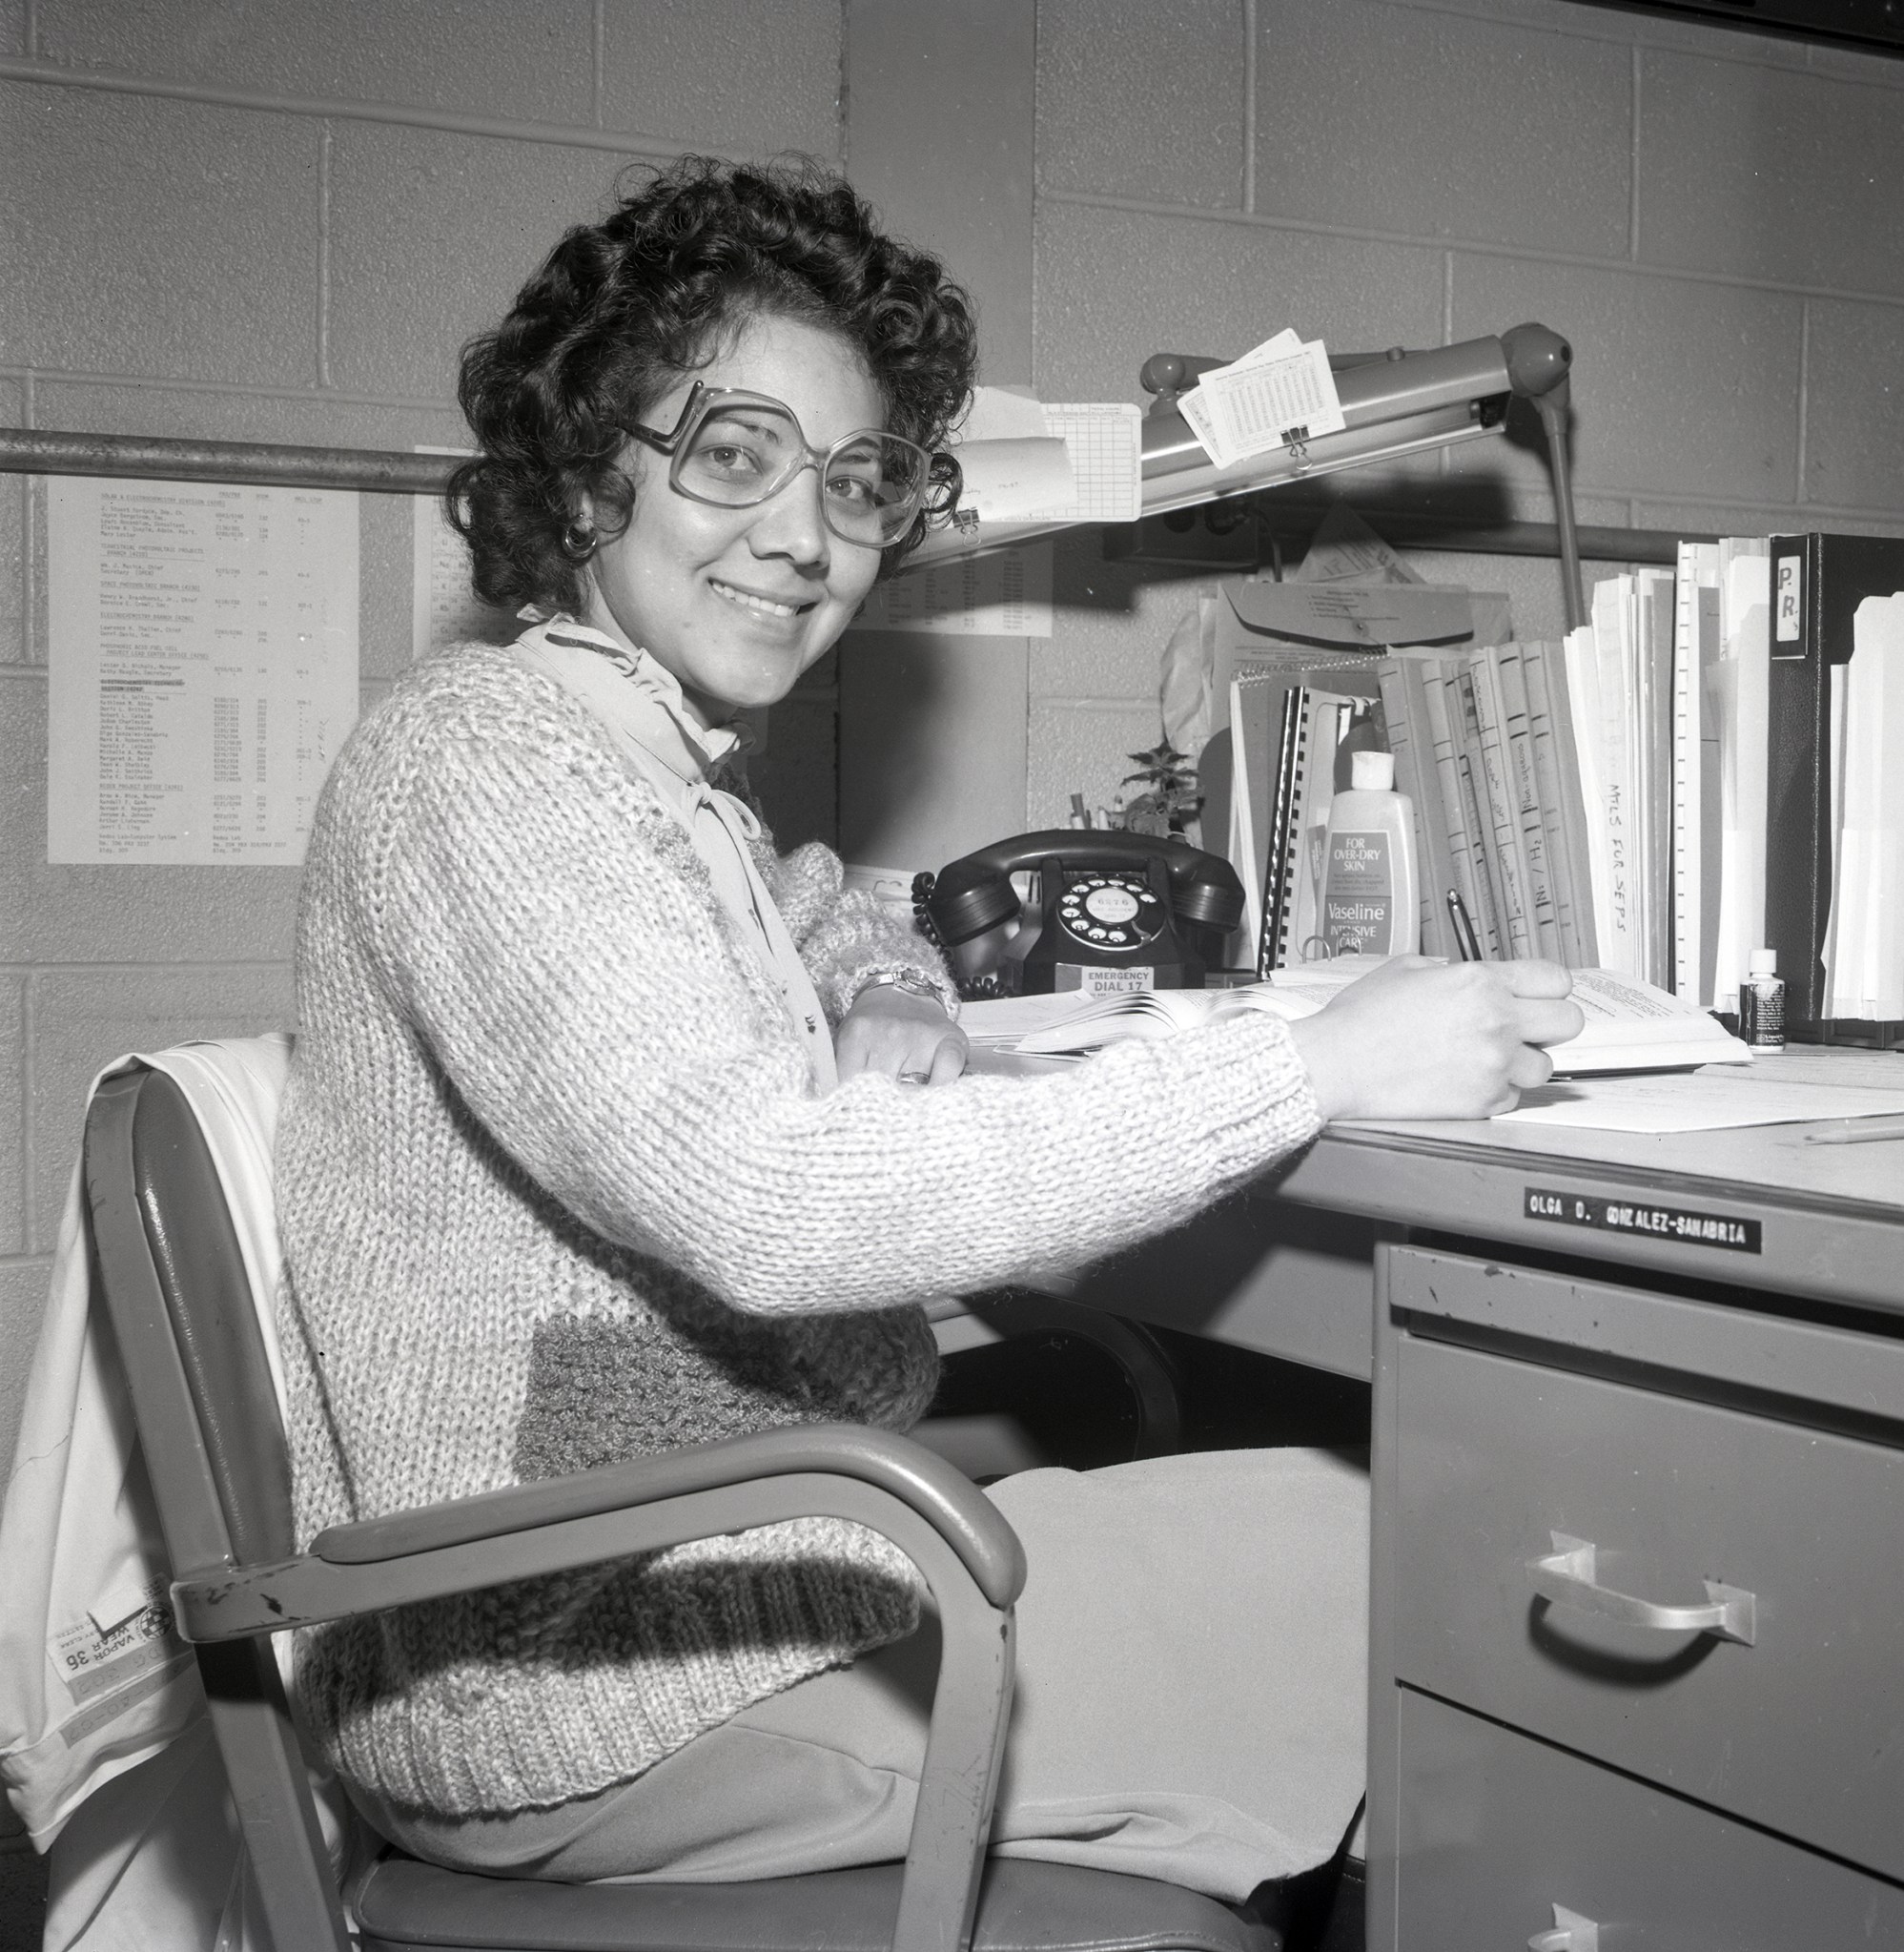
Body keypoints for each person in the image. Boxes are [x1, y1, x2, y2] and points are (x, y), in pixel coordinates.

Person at [274, 155, 1581, 1907]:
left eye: (858, 479)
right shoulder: (485, 768)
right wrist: (1310, 1070)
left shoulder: (643, 776)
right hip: (570, 1681)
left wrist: (887, 983)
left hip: (692, 1560)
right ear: (589, 467)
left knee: (1216, 1445)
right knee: (1433, 1565)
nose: (806, 534)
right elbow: (757, 1198)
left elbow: (817, 902)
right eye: (733, 453)